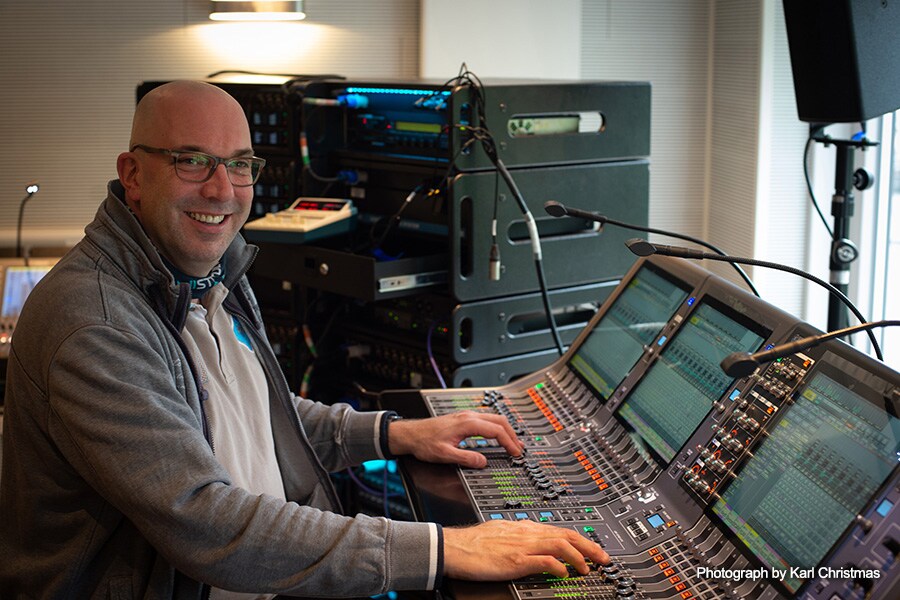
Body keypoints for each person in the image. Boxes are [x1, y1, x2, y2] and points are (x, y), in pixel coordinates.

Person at [0, 81, 607, 599]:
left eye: (240, 164)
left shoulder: (209, 268)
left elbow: (255, 415)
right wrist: (444, 548)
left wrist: (394, 434)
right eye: (192, 161)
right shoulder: (96, 323)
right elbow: (205, 522)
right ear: (132, 174)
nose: (222, 190)